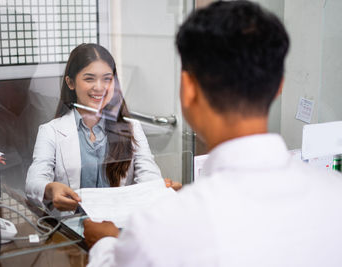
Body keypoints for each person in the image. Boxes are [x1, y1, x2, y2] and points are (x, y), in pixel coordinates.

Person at [83, 1, 342, 266]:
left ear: (188, 89)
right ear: (279, 87)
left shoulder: (160, 228)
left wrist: (106, 243)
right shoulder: (335, 194)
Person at [26, 43, 181, 215]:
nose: (99, 87)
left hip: (120, 224)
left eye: (107, 79)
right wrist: (50, 188)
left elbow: (148, 174)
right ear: (70, 82)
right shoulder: (51, 131)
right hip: (73, 229)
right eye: (89, 78)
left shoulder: (132, 128)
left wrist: (158, 188)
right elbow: (34, 182)